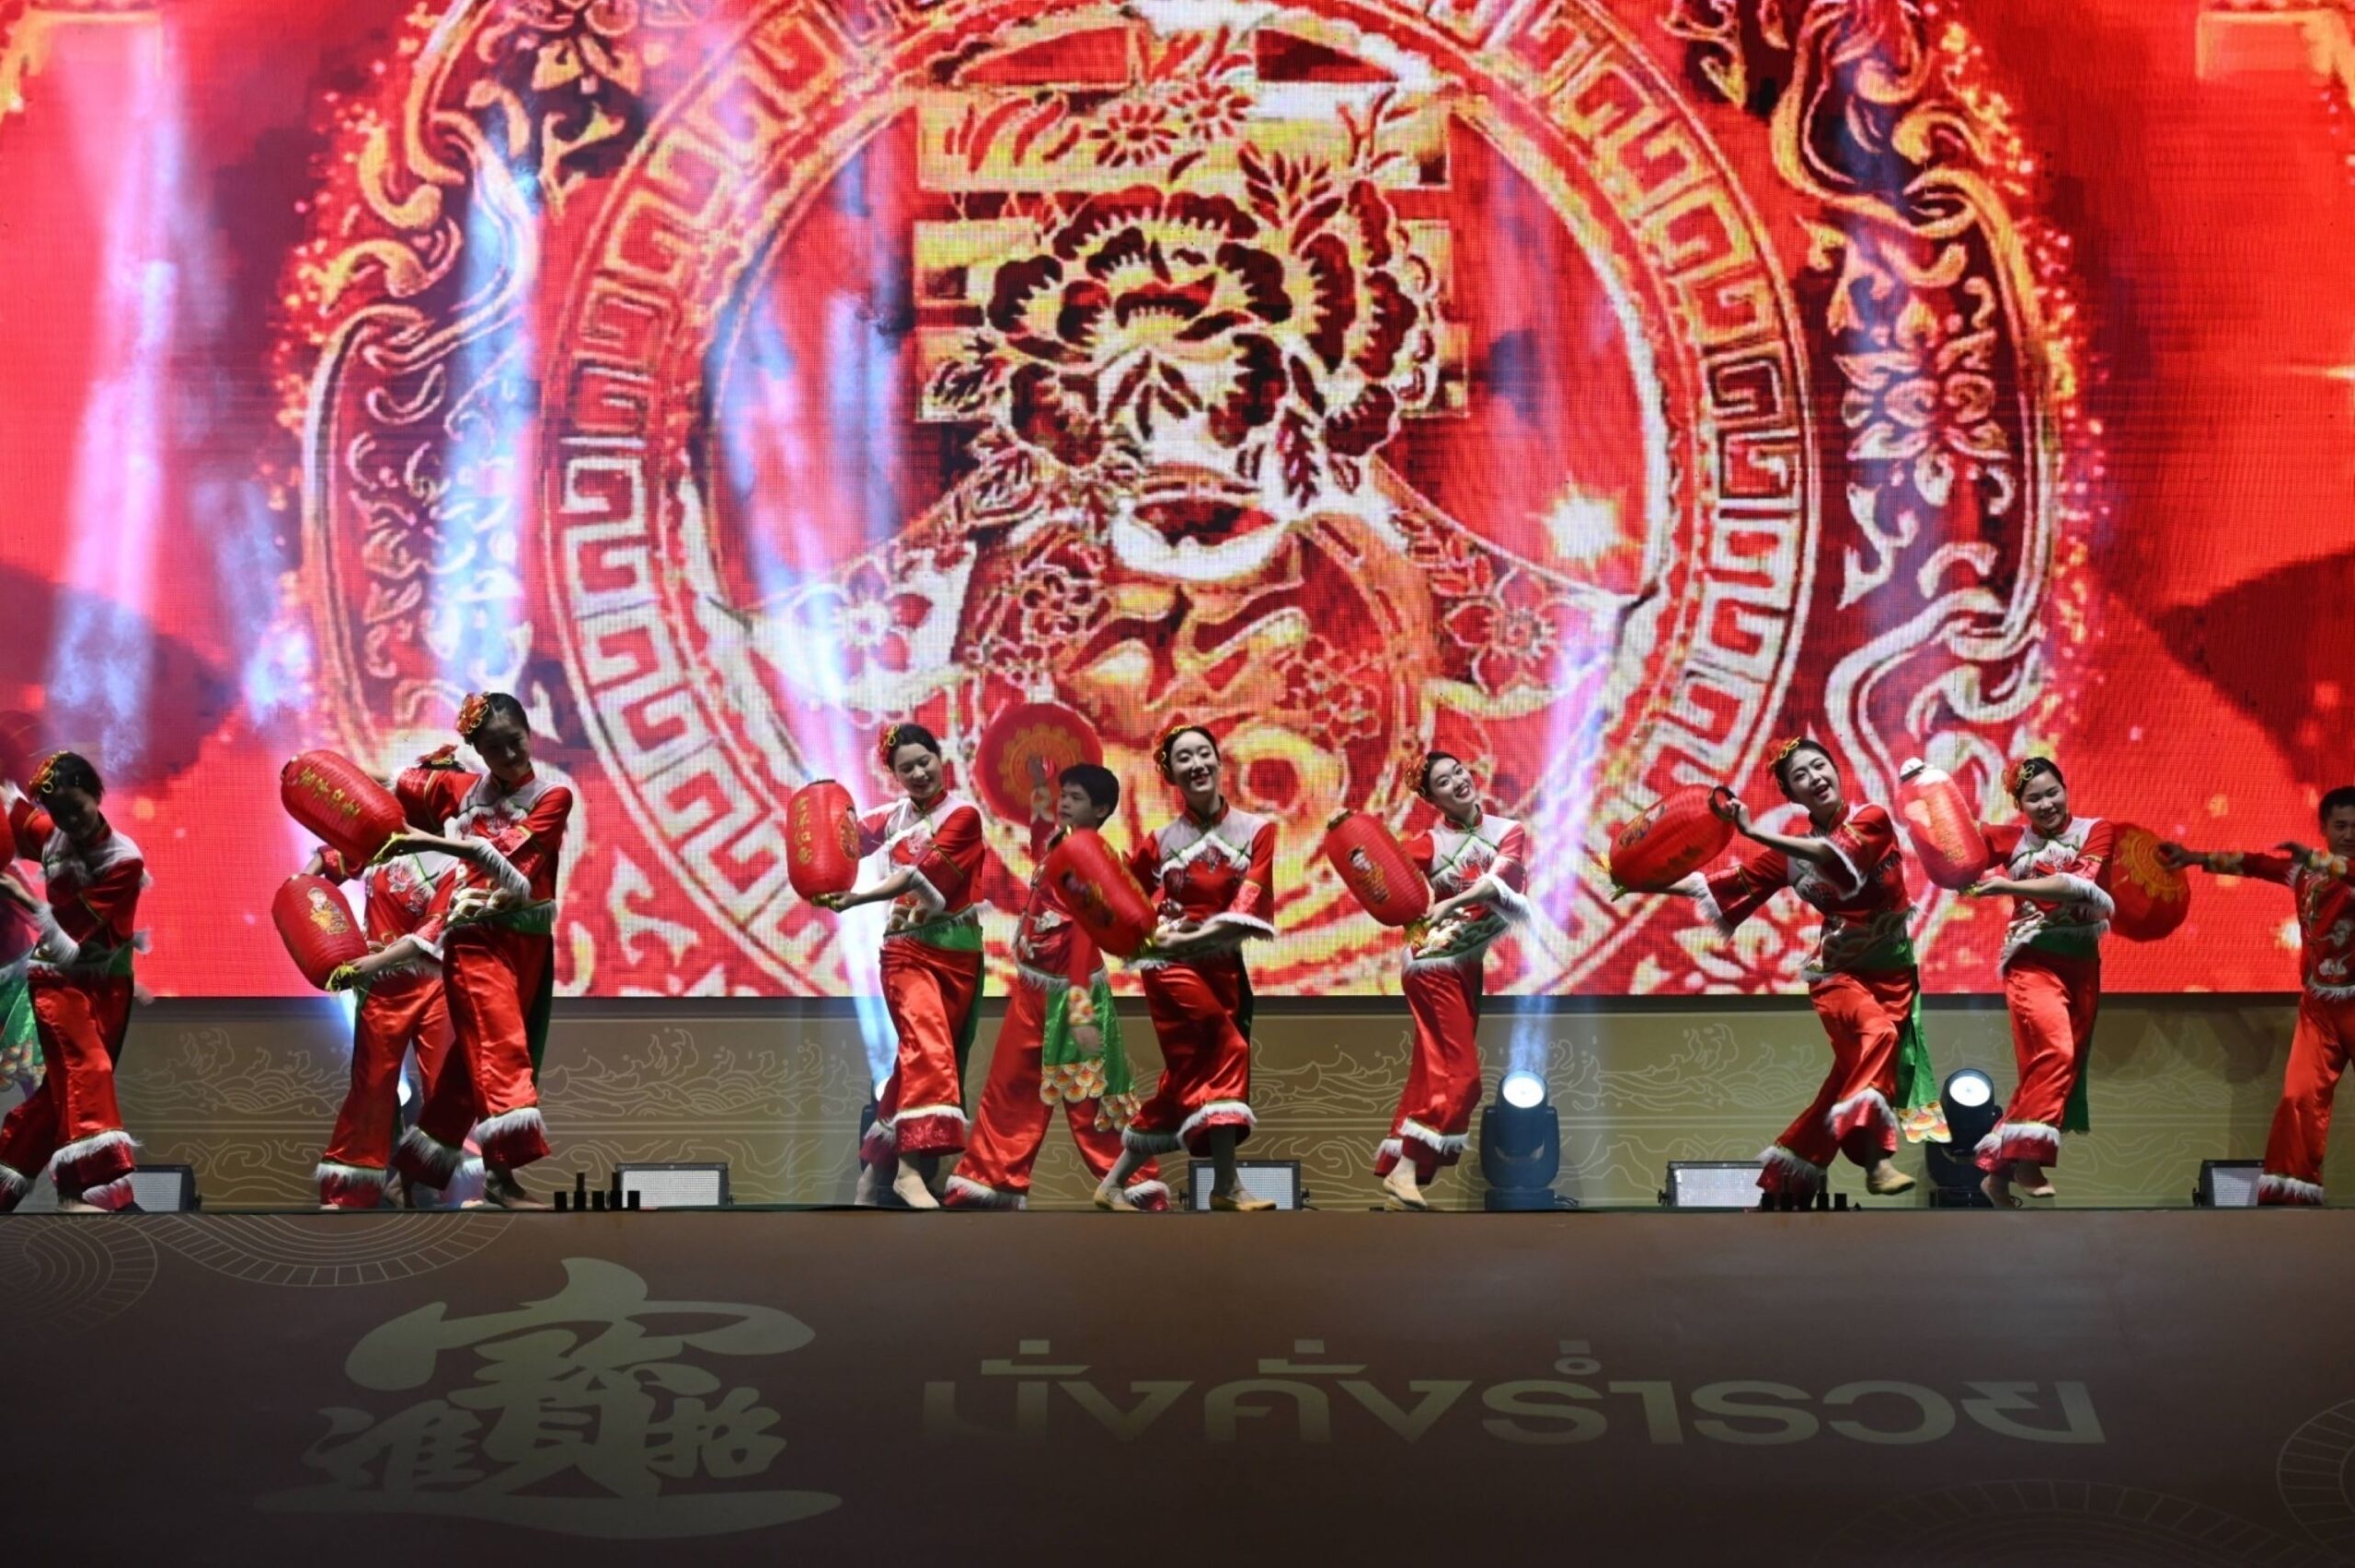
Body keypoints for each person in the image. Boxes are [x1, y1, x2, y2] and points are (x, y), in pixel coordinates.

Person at [1660, 738, 1929, 1199]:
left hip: (1894, 975)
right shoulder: (1791, 856)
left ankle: (1787, 1178)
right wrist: (1640, 878)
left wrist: (1754, 831)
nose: (1815, 778)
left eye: (1820, 766)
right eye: (1801, 776)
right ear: (1791, 795)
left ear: (1837, 770)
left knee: (1844, 1083)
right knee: (1879, 1036)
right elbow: (1721, 885)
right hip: (1838, 975)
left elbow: (1835, 856)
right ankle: (1877, 1164)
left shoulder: (1872, 818)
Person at [945, 761, 1168, 1211]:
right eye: (1063, 795)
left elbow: (1085, 937)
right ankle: (990, 1180)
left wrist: (1082, 1012)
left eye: (1076, 798)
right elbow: (1038, 834)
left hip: (1074, 993)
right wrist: (1037, 785)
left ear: (1101, 810)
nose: (1064, 803)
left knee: (1093, 1098)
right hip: (1033, 990)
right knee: (1011, 1085)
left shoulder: (1092, 862)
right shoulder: (1058, 845)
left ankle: (1134, 1184)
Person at [380, 692, 573, 1211]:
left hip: (529, 943)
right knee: (502, 1049)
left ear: (530, 734)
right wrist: (333, 784)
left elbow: (504, 856)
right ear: (478, 752)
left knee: (469, 1072)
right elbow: (390, 785)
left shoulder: (553, 798)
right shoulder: (458, 789)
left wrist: (422, 840)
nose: (509, 755)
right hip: (475, 941)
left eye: (515, 742)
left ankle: (410, 1175)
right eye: (494, 748)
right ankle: (501, 1181)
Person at [1097, 725, 1279, 1212]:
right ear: (1171, 774)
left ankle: (1113, 1184)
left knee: (1189, 1077)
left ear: (1219, 761)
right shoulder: (1159, 841)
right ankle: (1228, 1185)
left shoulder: (1257, 830)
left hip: (1223, 967)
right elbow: (1121, 896)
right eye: (1184, 758)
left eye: (1203, 754)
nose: (1196, 764)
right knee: (1227, 1048)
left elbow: (1249, 906)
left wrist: (1195, 937)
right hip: (1170, 965)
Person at [821, 723, 988, 1210]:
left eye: (924, 761)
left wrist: (857, 898)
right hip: (907, 953)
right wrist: (816, 844)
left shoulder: (963, 817)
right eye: (905, 768)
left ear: (940, 758)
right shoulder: (892, 818)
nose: (918, 773)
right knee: (928, 1051)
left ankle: (871, 1178)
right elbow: (840, 838)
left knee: (916, 1063)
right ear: (894, 775)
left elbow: (919, 873)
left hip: (959, 955)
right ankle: (909, 1174)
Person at [2162, 786, 2355, 1204]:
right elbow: (2253, 864)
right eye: (2341, 825)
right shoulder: (2303, 875)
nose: (2349, 834)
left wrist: (2318, 860)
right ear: (2324, 828)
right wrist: (2194, 857)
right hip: (2320, 1008)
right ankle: (2293, 1197)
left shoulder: (2337, 870)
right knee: (2299, 1097)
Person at [1374, 751, 1533, 1211]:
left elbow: (1500, 882)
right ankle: (1405, 1172)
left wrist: (1449, 903)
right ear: (1431, 799)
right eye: (1443, 782)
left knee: (1432, 1075)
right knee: (1462, 1078)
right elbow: (1381, 875)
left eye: (1458, 772)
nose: (1458, 782)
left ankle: (1402, 1178)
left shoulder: (1508, 830)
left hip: (1467, 966)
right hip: (1434, 965)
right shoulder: (1428, 844)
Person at [1964, 755, 2114, 1207]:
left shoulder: (2096, 831)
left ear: (2065, 789)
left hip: (2082, 965)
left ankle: (1996, 1173)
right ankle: (2029, 1160)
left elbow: (2076, 885)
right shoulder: (2010, 840)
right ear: (2020, 805)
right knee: (2056, 1052)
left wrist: (2006, 887)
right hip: (2031, 961)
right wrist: (1932, 801)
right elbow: (1955, 850)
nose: (2047, 804)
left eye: (2053, 792)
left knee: (2053, 1073)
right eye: (2034, 798)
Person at [0, 751, 146, 1212]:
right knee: (90, 1071)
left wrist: (19, 894)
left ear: (96, 794)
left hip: (108, 983)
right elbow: (13, 809)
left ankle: (11, 1187)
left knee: (59, 1096)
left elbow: (71, 931)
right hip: (55, 979)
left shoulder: (124, 860)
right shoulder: (52, 835)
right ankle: (97, 1191)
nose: (70, 821)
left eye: (76, 808)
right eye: (59, 813)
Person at [308, 841, 459, 1209]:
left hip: (435, 984)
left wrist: (375, 962)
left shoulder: (457, 853)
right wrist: (299, 888)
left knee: (446, 1089)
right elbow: (331, 860)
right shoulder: (381, 840)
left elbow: (434, 928)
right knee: (371, 1088)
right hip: (381, 989)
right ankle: (348, 1191)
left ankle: (432, 1185)